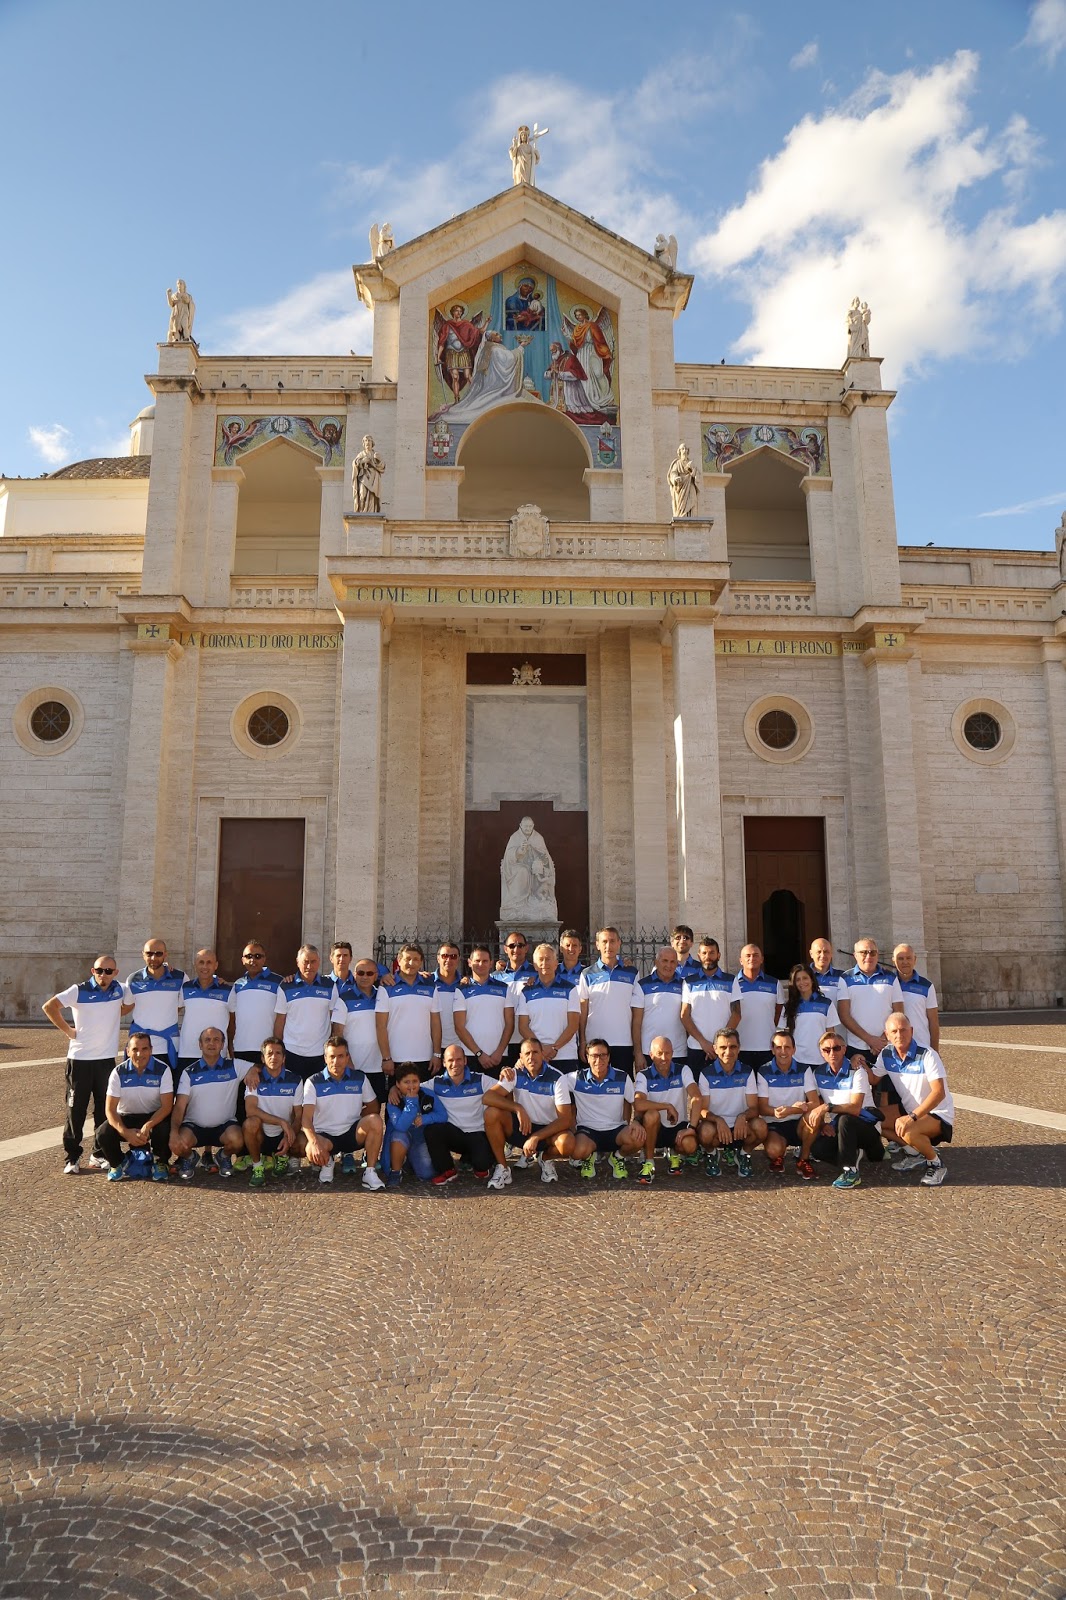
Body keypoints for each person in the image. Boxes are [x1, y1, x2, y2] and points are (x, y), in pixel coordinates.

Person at [43, 952, 132, 1175]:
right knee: (76, 1111)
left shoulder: (120, 989)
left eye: (108, 971)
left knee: (104, 1110)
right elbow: (50, 1007)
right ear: (93, 971)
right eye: (99, 970)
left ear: (115, 973)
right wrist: (68, 1031)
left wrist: (116, 1012)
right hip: (80, 1060)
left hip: (106, 1061)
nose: (103, 974)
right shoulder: (78, 990)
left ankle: (98, 1154)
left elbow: (130, 1003)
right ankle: (72, 1157)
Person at [869, 1012, 955, 1186]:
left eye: (903, 1030)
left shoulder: (927, 1054)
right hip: (909, 1110)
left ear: (912, 1031)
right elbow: (873, 1079)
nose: (899, 1035)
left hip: (937, 1113)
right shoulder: (886, 1054)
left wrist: (912, 1117)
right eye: (894, 1031)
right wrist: (858, 1061)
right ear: (887, 1035)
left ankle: (936, 1164)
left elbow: (939, 1093)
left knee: (908, 1130)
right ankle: (914, 1153)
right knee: (871, 1119)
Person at [799, 1030, 884, 1188]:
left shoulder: (857, 1071)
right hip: (839, 1128)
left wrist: (827, 1107)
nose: (832, 1053)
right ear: (821, 1053)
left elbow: (855, 1108)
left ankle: (850, 1171)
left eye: (836, 1048)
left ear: (844, 1049)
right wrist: (823, 1125)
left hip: (867, 1127)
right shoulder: (818, 1073)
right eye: (827, 1050)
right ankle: (852, 1154)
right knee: (817, 1149)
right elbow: (814, 1104)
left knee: (846, 1120)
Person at [294, 1037, 384, 1188]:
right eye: (332, 1056)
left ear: (347, 1057)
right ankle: (327, 1162)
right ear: (325, 1058)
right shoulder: (313, 1082)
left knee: (375, 1120)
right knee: (309, 1147)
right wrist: (314, 1142)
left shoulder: (360, 1078)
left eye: (341, 1056)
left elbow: (373, 1107)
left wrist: (357, 1118)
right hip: (325, 1137)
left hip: (352, 1133)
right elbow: (306, 1118)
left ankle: (370, 1172)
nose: (336, 1061)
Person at [486, 1037, 575, 1185]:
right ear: (520, 1057)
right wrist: (517, 1108)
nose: (531, 1057)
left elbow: (565, 1119)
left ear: (542, 1054)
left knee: (568, 1144)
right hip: (523, 1127)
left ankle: (545, 1158)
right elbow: (488, 1097)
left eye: (535, 1052)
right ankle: (503, 1168)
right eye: (527, 1053)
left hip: (547, 1132)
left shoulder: (557, 1078)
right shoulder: (514, 1074)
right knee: (491, 1113)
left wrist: (536, 1137)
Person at [169, 1027, 251, 1180]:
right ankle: (190, 1157)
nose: (211, 1043)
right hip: (194, 1127)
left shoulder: (234, 1066)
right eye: (207, 1040)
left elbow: (259, 1067)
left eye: (216, 1040)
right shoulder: (189, 1072)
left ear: (222, 1045)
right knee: (176, 1144)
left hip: (224, 1126)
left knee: (238, 1140)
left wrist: (252, 1072)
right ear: (200, 1045)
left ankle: (223, 1156)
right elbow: (179, 1106)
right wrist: (173, 1132)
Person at [98, 1031, 173, 1182]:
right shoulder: (118, 1072)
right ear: (127, 1051)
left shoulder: (163, 1070)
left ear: (151, 1050)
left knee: (165, 1128)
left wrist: (148, 1125)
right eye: (135, 1049)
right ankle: (117, 1163)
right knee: (103, 1132)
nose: (140, 1054)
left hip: (153, 1116)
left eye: (145, 1049)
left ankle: (161, 1162)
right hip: (126, 1116)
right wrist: (125, 1132)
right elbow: (110, 1110)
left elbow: (166, 1107)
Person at [566, 1039, 644, 1180]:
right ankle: (588, 1157)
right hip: (588, 1131)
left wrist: (637, 1121)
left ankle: (617, 1157)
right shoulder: (576, 1078)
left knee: (638, 1138)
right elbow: (554, 1083)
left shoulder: (622, 1077)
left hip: (616, 1129)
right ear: (587, 1057)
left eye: (603, 1055)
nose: (599, 1060)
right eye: (594, 1056)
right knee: (576, 1152)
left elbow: (637, 1104)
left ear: (608, 1057)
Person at [422, 1043, 497, 1184]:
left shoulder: (480, 1080)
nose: (455, 1064)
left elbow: (506, 1086)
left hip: (476, 1133)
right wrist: (395, 1088)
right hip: (453, 1134)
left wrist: (507, 1072)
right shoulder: (436, 1083)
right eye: (450, 1060)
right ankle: (447, 1170)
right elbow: (412, 1088)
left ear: (465, 1060)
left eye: (459, 1059)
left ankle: (475, 1159)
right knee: (432, 1130)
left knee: (482, 1168)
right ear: (444, 1063)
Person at [750, 1029, 820, 1176]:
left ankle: (804, 1159)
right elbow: (762, 1107)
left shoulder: (804, 1069)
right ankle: (778, 1156)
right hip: (775, 1123)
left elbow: (815, 1103)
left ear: (794, 1049)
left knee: (815, 1116)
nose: (783, 1051)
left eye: (787, 1047)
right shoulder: (764, 1071)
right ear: (772, 1050)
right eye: (778, 1047)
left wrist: (793, 1110)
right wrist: (775, 1112)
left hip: (799, 1122)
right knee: (773, 1150)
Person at [694, 1028, 761, 1179]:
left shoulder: (748, 1071)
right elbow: (702, 1110)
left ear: (739, 1048)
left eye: (733, 1047)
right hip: (716, 1127)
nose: (728, 1052)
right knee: (704, 1131)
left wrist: (743, 1117)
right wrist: (718, 1120)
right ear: (715, 1049)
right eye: (723, 1047)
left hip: (740, 1127)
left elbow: (754, 1108)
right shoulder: (706, 1073)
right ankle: (712, 1154)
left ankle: (743, 1154)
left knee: (761, 1127)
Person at [632, 1036, 700, 1184]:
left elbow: (697, 1097)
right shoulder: (643, 1075)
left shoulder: (683, 1070)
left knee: (690, 1145)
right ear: (651, 1055)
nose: (664, 1058)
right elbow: (638, 1104)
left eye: (667, 1053)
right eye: (659, 1053)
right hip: (655, 1129)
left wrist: (692, 1128)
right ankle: (649, 1162)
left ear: (672, 1053)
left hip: (678, 1127)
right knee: (651, 1115)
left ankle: (675, 1153)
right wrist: (667, 1106)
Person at [578, 927, 639, 1075]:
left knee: (622, 1086)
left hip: (624, 1043)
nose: (608, 945)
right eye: (604, 941)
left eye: (612, 941)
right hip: (595, 1044)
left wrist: (637, 1048)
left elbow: (637, 1013)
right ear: (597, 945)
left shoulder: (632, 973)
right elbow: (583, 1012)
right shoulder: (587, 974)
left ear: (619, 943)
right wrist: (583, 1042)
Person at [241, 1038, 302, 1186]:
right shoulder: (254, 1078)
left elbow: (299, 1115)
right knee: (250, 1123)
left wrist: (289, 1135)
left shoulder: (295, 1080)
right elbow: (250, 1110)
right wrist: (281, 1122)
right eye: (269, 1053)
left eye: (278, 1053)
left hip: (283, 1134)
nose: (274, 1057)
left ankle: (283, 1156)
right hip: (261, 1134)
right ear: (262, 1058)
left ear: (284, 1058)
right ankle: (257, 1166)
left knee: (303, 1144)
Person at [273, 944, 338, 1080]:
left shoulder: (330, 986)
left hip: (321, 1054)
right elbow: (280, 1021)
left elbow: (335, 1020)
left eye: (313, 961)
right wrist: (278, 1051)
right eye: (305, 962)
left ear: (319, 962)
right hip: (292, 1053)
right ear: (298, 962)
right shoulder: (285, 986)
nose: (309, 966)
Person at [836, 938, 905, 1065]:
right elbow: (844, 1015)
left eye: (872, 953)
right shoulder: (845, 978)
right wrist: (870, 1040)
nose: (868, 956)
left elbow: (898, 1012)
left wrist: (883, 1040)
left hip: (887, 1045)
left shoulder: (891, 977)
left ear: (877, 955)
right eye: (863, 952)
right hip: (857, 1047)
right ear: (855, 955)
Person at [375, 942, 436, 1080]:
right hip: (396, 1059)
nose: (411, 963)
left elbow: (435, 1023)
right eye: (407, 959)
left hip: (425, 1058)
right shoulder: (386, 987)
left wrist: (436, 1054)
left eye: (416, 959)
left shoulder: (430, 986)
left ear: (421, 962)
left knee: (423, 1094)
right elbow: (380, 1026)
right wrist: (386, 1058)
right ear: (399, 960)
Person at [515, 943, 581, 1066]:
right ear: (535, 965)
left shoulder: (570, 989)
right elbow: (523, 1027)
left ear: (556, 963)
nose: (544, 963)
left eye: (548, 959)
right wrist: (540, 1049)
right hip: (536, 1058)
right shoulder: (526, 991)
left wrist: (555, 1048)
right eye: (541, 959)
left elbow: (573, 1025)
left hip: (566, 1056)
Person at [125, 938, 185, 1071]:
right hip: (141, 1048)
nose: (153, 957)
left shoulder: (180, 977)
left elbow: (179, 1005)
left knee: (171, 1083)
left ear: (165, 954)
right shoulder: (133, 979)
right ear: (143, 955)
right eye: (149, 953)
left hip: (169, 1046)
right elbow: (126, 1007)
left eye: (158, 953)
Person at [332, 956, 387, 1102]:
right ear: (355, 974)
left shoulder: (383, 996)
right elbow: (337, 1034)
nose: (365, 977)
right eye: (361, 973)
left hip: (378, 1067)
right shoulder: (344, 999)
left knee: (376, 1109)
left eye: (369, 973)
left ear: (376, 975)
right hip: (353, 1067)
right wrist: (347, 1061)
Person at [453, 945, 514, 1076]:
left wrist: (499, 1051)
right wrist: (479, 1053)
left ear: (491, 963)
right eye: (477, 961)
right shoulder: (461, 989)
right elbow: (459, 1027)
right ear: (470, 963)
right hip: (471, 1055)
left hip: (498, 1056)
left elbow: (510, 1023)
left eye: (485, 961)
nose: (481, 964)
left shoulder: (504, 988)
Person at [680, 937, 735, 1075]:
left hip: (723, 1050)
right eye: (704, 953)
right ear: (699, 956)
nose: (708, 957)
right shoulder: (689, 982)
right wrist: (703, 1042)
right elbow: (684, 1016)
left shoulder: (731, 980)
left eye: (711, 953)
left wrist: (720, 1043)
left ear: (718, 955)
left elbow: (737, 1014)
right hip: (697, 1047)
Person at [386, 1064, 447, 1187]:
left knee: (427, 1174)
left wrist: (426, 1118)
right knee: (398, 1135)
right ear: (398, 1084)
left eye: (415, 1081)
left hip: (420, 1138)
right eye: (406, 1082)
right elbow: (401, 1127)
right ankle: (396, 1172)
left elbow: (443, 1115)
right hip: (401, 1138)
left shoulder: (428, 1094)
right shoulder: (394, 1100)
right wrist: (411, 1102)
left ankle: (409, 1161)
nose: (411, 1086)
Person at [631, 946, 687, 1078]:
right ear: (656, 962)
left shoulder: (684, 985)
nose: (669, 965)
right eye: (665, 961)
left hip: (678, 1052)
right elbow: (636, 1022)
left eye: (672, 962)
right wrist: (638, 1053)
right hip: (649, 1052)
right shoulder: (642, 985)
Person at [227, 942, 282, 1070]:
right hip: (241, 1049)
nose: (253, 960)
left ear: (264, 959)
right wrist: (230, 1045)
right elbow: (232, 1019)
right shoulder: (237, 985)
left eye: (258, 956)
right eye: (249, 956)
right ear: (243, 960)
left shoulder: (279, 982)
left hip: (268, 1051)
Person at [176, 950, 232, 1071]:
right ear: (195, 965)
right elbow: (172, 1012)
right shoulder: (186, 987)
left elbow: (233, 1023)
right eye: (201, 962)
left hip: (216, 1055)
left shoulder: (228, 990)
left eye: (209, 962)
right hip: (187, 1053)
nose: (205, 966)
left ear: (216, 965)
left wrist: (231, 1051)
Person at [729, 944, 784, 1068]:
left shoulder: (774, 983)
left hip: (767, 1047)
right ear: (741, 960)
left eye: (755, 955)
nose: (751, 958)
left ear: (762, 959)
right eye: (748, 955)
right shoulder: (732, 984)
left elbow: (778, 1013)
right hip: (739, 1048)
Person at [781, 964, 840, 1070]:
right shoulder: (788, 1006)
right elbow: (785, 1036)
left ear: (812, 980)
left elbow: (831, 1034)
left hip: (821, 1060)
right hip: (797, 1060)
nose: (802, 982)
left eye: (805, 978)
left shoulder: (826, 1004)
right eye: (798, 980)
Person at [491, 930, 536, 1067]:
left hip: (528, 1039)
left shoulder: (537, 974)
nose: (516, 949)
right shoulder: (495, 976)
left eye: (520, 945)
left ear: (526, 948)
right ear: (505, 949)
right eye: (512, 946)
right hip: (502, 1041)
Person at [500, 817, 557, 920]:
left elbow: (545, 856)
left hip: (535, 867)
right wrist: (520, 850)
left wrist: (542, 859)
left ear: (533, 826)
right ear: (520, 825)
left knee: (536, 872)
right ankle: (518, 904)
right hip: (518, 867)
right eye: (526, 826)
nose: (528, 828)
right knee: (523, 871)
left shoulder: (538, 838)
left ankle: (536, 901)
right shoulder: (515, 837)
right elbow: (508, 856)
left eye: (530, 826)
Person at [892, 943, 940, 1049]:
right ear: (894, 961)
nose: (905, 962)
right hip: (894, 1046)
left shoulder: (927, 986)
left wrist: (935, 1050)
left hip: (921, 1044)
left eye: (908, 958)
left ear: (915, 959)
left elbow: (933, 1021)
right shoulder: (888, 984)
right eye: (900, 958)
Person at [429, 941, 465, 1059]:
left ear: (458, 959)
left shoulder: (466, 984)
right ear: (438, 958)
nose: (448, 960)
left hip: (460, 1047)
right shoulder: (426, 982)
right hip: (431, 1048)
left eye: (453, 956)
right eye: (445, 956)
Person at [352, 435, 385, 514]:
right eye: (366, 441)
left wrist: (378, 460)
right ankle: (362, 512)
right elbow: (355, 463)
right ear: (363, 443)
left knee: (372, 496)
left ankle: (372, 512)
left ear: (372, 443)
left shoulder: (375, 454)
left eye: (369, 440)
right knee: (362, 494)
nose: (368, 442)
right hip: (364, 477)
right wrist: (362, 461)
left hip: (374, 478)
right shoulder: (361, 454)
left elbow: (382, 466)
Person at [668, 442, 699, 519]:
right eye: (683, 449)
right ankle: (682, 517)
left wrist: (693, 471)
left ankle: (692, 518)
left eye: (686, 449)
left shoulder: (692, 463)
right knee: (681, 506)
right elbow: (673, 473)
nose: (684, 450)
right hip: (681, 486)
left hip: (690, 484)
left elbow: (697, 475)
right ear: (679, 451)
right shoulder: (677, 463)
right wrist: (675, 478)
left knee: (693, 500)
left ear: (688, 451)